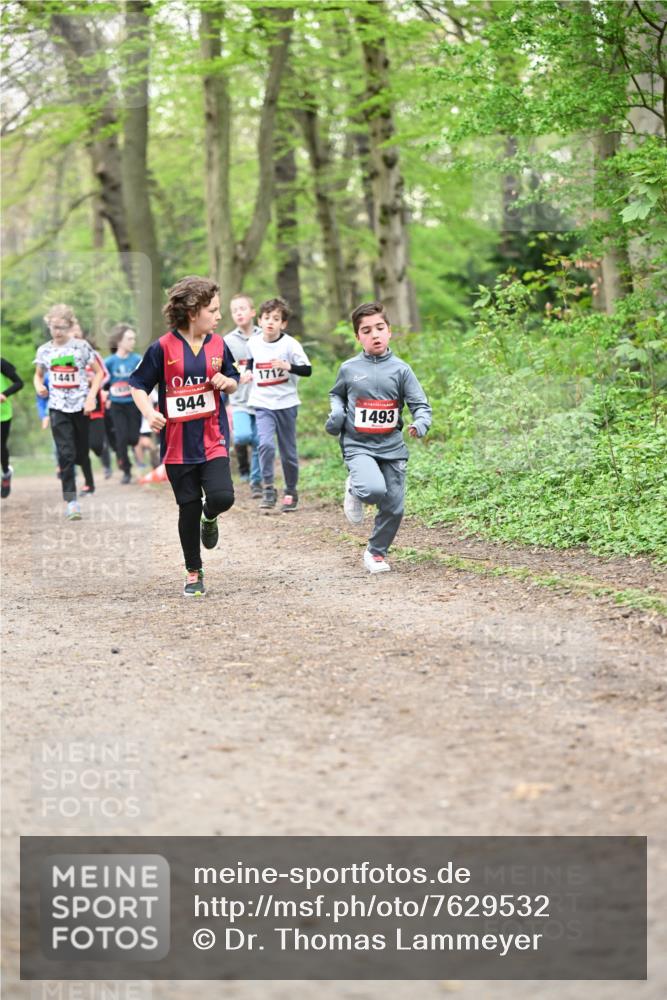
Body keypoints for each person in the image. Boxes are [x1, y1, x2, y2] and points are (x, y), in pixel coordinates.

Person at [129, 275, 239, 597]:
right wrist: (150, 413)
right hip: (177, 446)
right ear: (193, 312)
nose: (219, 317)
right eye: (214, 310)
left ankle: (211, 516)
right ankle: (194, 571)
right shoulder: (162, 348)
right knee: (187, 508)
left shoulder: (219, 344)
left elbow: (233, 378)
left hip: (212, 437)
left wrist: (226, 382)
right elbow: (137, 385)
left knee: (222, 497)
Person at [325, 301, 432, 574]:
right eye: (367, 330)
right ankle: (356, 487)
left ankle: (376, 553)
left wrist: (421, 423)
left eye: (380, 328)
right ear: (357, 336)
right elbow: (336, 393)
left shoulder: (401, 370)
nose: (375, 335)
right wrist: (337, 412)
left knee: (394, 506)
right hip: (358, 444)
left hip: (392, 446)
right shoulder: (349, 368)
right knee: (373, 490)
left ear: (389, 332)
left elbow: (420, 404)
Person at [33, 304, 104, 519]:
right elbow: (37, 375)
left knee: (81, 453)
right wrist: (39, 387)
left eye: (62, 327)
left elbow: (99, 373)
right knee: (66, 454)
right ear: (49, 326)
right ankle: (72, 501)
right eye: (54, 327)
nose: (57, 332)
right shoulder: (44, 350)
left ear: (70, 326)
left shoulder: (81, 347)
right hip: (57, 407)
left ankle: (89, 481)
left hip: (81, 407)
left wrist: (91, 397)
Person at [243, 296, 312, 512]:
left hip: (286, 403)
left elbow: (307, 370)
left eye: (276, 318)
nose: (270, 322)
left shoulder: (290, 344)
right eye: (266, 318)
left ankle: (290, 491)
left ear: (283, 324)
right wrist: (246, 372)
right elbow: (250, 361)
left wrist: (288, 366)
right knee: (264, 444)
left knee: (288, 452)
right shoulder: (253, 342)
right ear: (260, 321)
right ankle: (269, 488)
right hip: (262, 403)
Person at [224, 293, 262, 498]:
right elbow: (223, 369)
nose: (239, 313)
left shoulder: (265, 334)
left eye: (243, 308)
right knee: (242, 436)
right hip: (239, 399)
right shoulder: (228, 341)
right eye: (234, 310)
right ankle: (243, 464)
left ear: (253, 312)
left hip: (262, 399)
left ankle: (256, 481)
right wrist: (238, 378)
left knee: (258, 441)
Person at [105, 324, 143, 484]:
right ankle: (126, 470)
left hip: (134, 403)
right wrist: (105, 394)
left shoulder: (137, 359)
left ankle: (127, 452)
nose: (132, 341)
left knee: (133, 438)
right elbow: (103, 382)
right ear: (119, 341)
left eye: (134, 338)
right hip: (117, 404)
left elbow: (144, 380)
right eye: (129, 338)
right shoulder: (109, 362)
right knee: (121, 438)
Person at [1, 356, 24, 498]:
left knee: (0, 447)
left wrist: (4, 394)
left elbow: (19, 383)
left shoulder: (1, 363)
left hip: (2, 413)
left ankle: (5, 473)